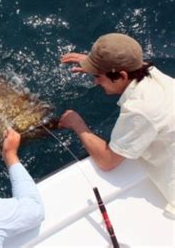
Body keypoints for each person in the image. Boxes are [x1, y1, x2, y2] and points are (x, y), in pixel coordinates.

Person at [59, 33, 174, 213]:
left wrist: (78, 125)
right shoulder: (151, 72)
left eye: (97, 76)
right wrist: (96, 64)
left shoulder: (140, 110)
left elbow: (107, 161)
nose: (95, 81)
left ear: (121, 75)